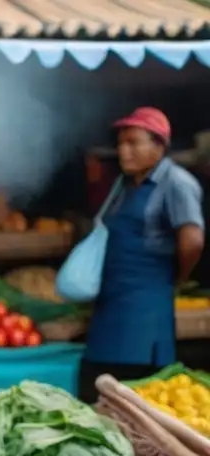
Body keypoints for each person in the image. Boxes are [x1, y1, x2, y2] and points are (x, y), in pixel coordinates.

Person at [82, 108, 205, 397]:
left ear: (159, 146)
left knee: (138, 397)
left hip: (145, 312)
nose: (124, 151)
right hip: (110, 307)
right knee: (96, 391)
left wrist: (177, 277)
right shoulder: (123, 186)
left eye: (133, 143)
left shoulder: (177, 183)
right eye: (121, 143)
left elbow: (193, 241)